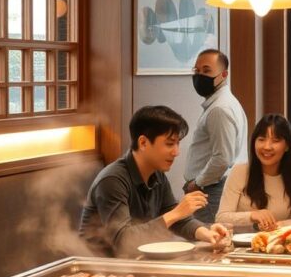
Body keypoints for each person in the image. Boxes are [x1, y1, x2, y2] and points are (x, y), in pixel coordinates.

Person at [79, 105, 229, 257]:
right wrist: (177, 212)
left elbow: (176, 219)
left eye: (178, 143)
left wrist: (206, 232)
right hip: (98, 268)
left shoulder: (157, 174)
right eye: (170, 144)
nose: (176, 152)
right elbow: (123, 240)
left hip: (134, 263)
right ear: (143, 143)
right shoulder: (112, 180)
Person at [182, 49, 248, 223]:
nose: (199, 76)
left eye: (206, 70)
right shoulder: (223, 103)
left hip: (210, 189)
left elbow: (222, 158)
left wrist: (197, 183)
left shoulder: (219, 109)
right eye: (197, 71)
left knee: (210, 242)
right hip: (212, 187)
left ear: (224, 75)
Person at [216, 114, 291, 231]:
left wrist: (278, 226)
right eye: (261, 139)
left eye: (275, 140)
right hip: (242, 244)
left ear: (287, 146)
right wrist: (252, 215)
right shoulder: (240, 171)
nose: (267, 147)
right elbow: (221, 218)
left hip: (278, 242)